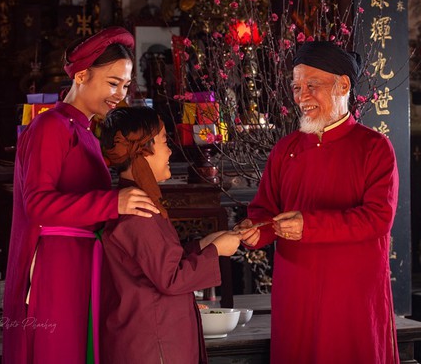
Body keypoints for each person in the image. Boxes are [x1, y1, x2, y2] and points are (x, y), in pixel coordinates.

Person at [3, 27, 161, 364]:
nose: (120, 94)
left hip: (82, 260)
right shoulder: (49, 127)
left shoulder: (87, 134)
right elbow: (37, 205)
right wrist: (113, 203)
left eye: (126, 86)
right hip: (56, 264)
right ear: (82, 75)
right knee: (58, 351)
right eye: (113, 83)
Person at [236, 41, 400, 363]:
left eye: (312, 86)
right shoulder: (285, 149)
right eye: (297, 88)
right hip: (296, 289)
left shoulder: (374, 147)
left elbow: (378, 218)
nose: (301, 97)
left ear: (343, 86)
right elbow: (264, 209)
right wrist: (255, 230)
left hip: (351, 291)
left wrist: (309, 226)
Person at [98, 106, 250, 363]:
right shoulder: (138, 212)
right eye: (164, 142)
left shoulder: (138, 202)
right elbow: (171, 278)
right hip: (153, 343)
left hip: (152, 335)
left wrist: (204, 244)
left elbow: (159, 262)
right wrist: (216, 251)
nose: (170, 151)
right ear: (142, 151)